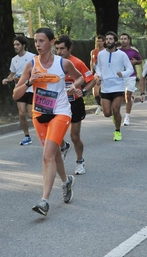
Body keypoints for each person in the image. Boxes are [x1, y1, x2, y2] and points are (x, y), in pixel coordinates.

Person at [13, 28, 84, 216]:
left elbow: (80, 78)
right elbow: (15, 94)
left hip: (60, 112)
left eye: (42, 41)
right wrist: (29, 82)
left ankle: (44, 200)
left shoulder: (63, 63)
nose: (38, 44)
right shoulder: (31, 65)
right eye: (36, 41)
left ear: (51, 43)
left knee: (47, 156)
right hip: (40, 114)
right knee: (53, 155)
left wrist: (74, 87)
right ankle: (66, 181)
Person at [54, 34, 96, 175]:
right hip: (58, 104)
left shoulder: (76, 63)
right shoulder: (53, 63)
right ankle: (63, 146)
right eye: (57, 49)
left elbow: (92, 80)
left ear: (69, 48)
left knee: (74, 136)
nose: (59, 52)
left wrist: (82, 92)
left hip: (74, 103)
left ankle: (80, 161)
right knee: (55, 134)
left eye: (62, 49)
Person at [95, 31, 134, 141]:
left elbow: (130, 69)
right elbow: (98, 67)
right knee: (107, 113)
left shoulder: (122, 55)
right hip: (106, 86)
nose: (108, 41)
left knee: (116, 110)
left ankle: (117, 131)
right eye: (107, 39)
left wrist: (123, 74)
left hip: (118, 86)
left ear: (115, 41)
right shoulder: (101, 54)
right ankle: (115, 117)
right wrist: (98, 76)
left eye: (110, 39)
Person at [2, 36, 35, 145]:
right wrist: (7, 79)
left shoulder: (32, 57)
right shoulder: (14, 59)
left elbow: (37, 72)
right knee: (21, 114)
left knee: (31, 115)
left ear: (23, 45)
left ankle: (45, 130)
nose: (15, 47)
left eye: (18, 45)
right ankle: (27, 136)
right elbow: (12, 74)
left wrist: (26, 78)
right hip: (20, 89)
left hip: (31, 89)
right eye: (14, 45)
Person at [119, 33, 143, 126]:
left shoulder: (133, 51)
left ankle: (127, 117)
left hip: (131, 75)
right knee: (122, 97)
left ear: (129, 40)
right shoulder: (117, 51)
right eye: (121, 39)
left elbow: (140, 60)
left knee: (127, 95)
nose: (123, 41)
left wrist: (135, 62)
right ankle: (129, 102)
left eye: (125, 39)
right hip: (120, 76)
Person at [90, 35, 105, 115]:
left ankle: (104, 105)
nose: (99, 43)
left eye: (100, 41)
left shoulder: (106, 51)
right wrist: (91, 71)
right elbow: (91, 62)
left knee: (102, 90)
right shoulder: (93, 51)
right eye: (97, 41)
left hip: (104, 73)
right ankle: (99, 105)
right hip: (96, 73)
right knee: (95, 91)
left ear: (104, 41)